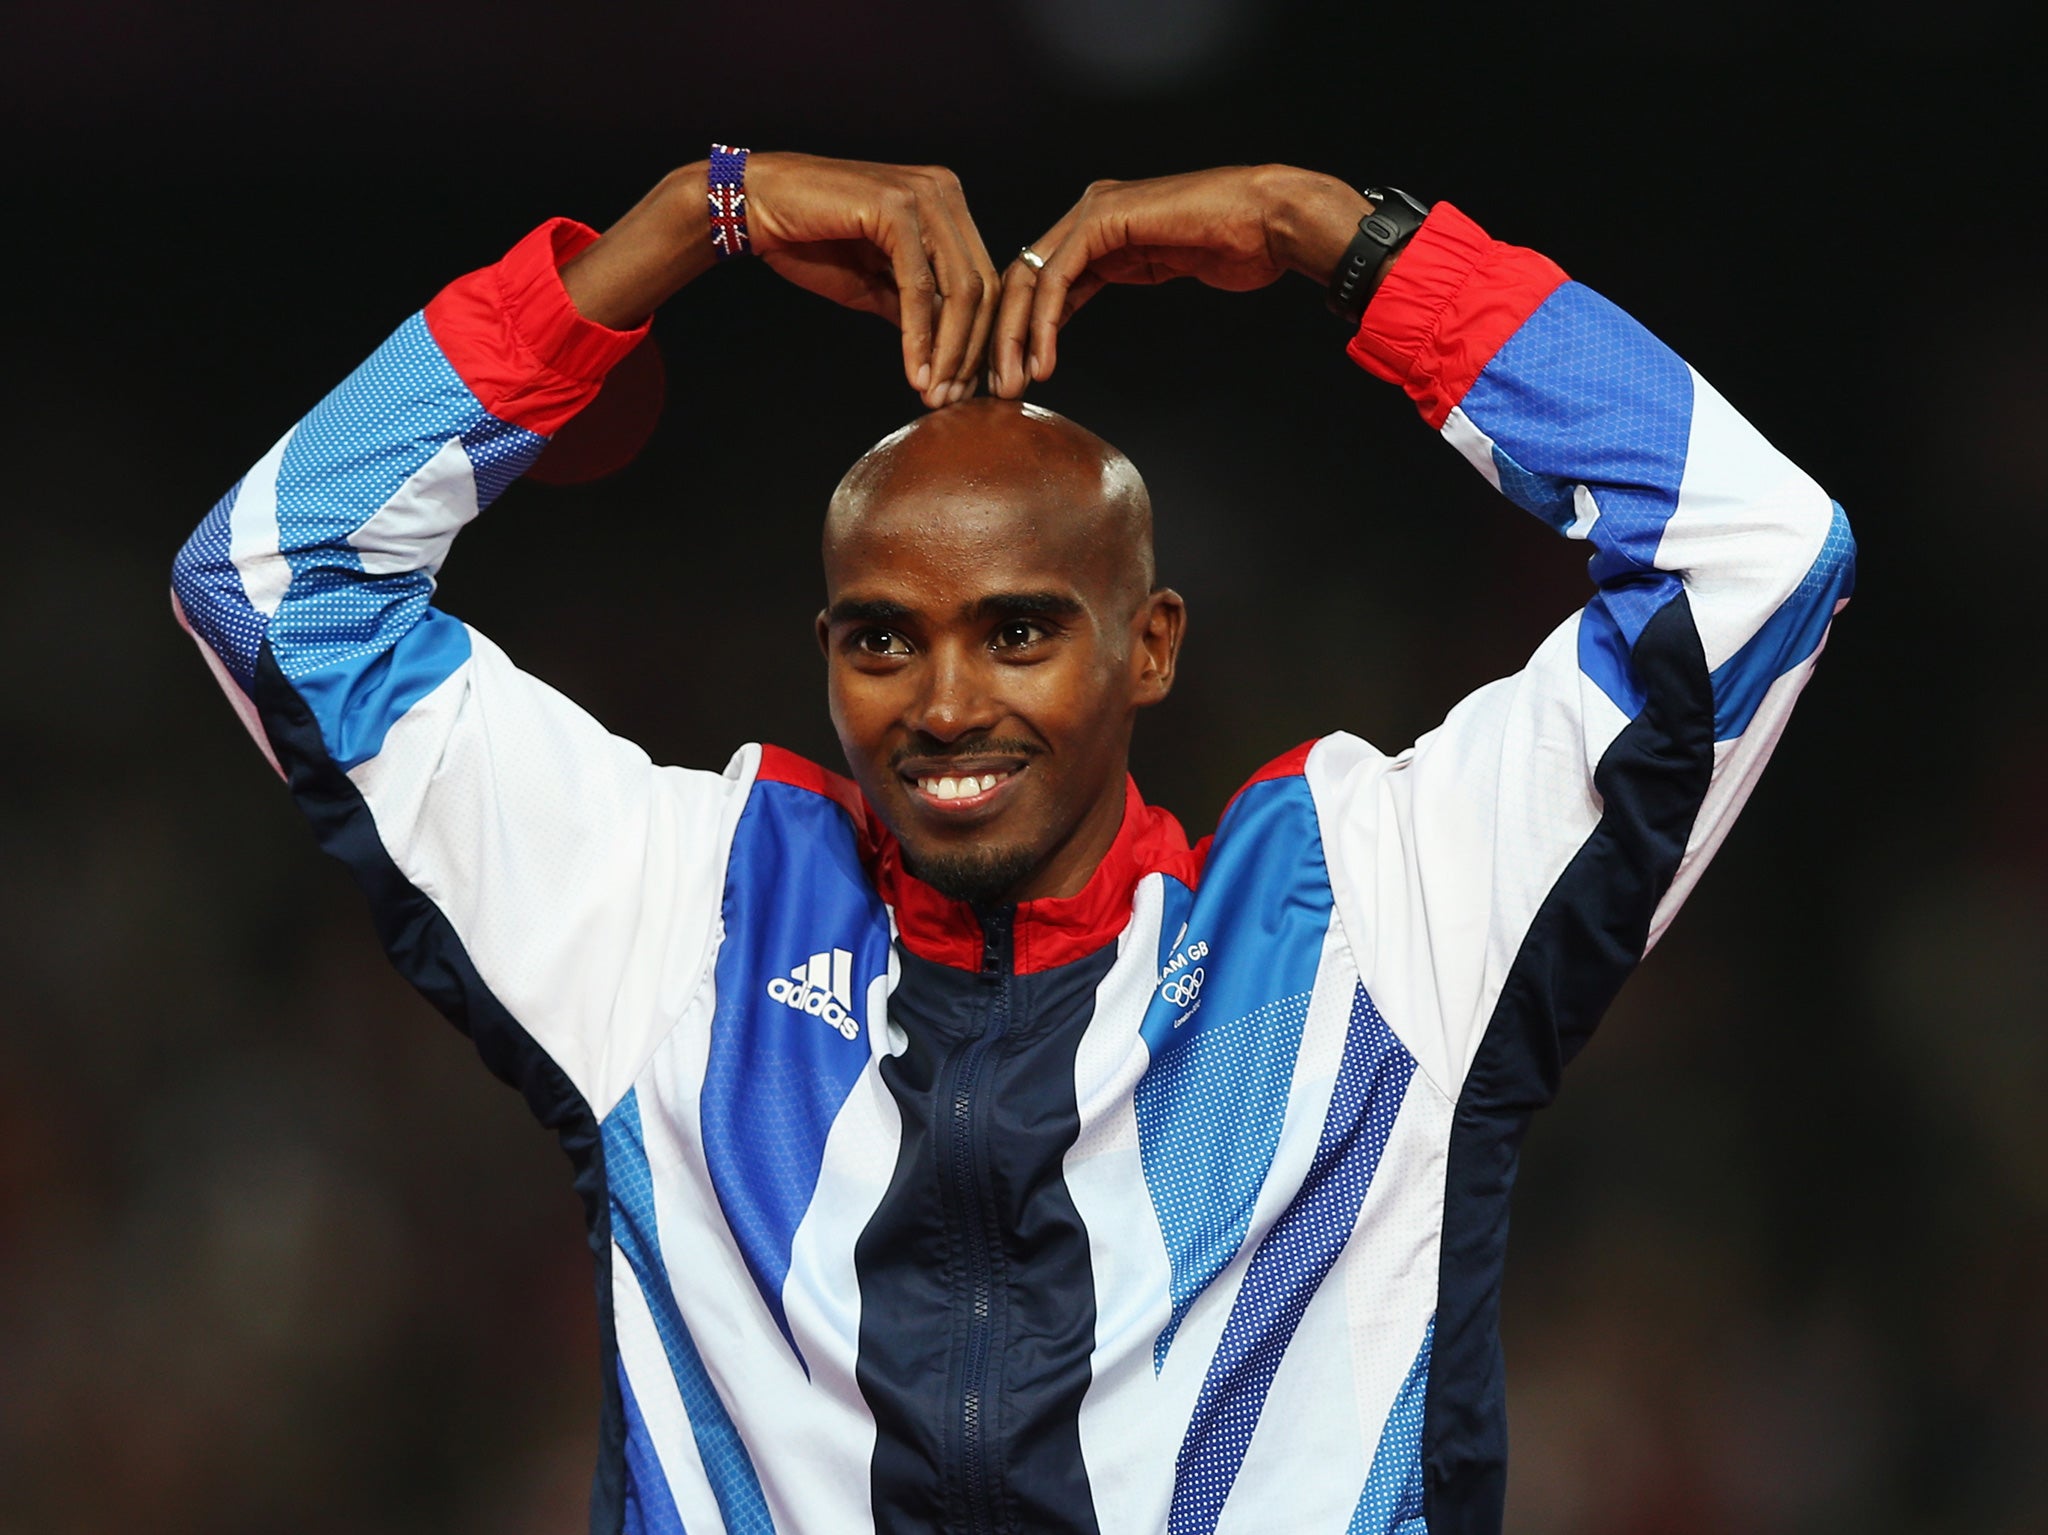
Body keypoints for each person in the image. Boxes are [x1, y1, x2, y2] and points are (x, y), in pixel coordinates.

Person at [170, 148, 1854, 1535]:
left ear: (1151, 646)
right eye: (882, 639)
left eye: (1022, 630)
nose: (946, 702)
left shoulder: (1372, 919)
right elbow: (272, 579)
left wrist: (1332, 236)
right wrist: (688, 221)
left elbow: (1757, 552)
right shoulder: (684, 921)